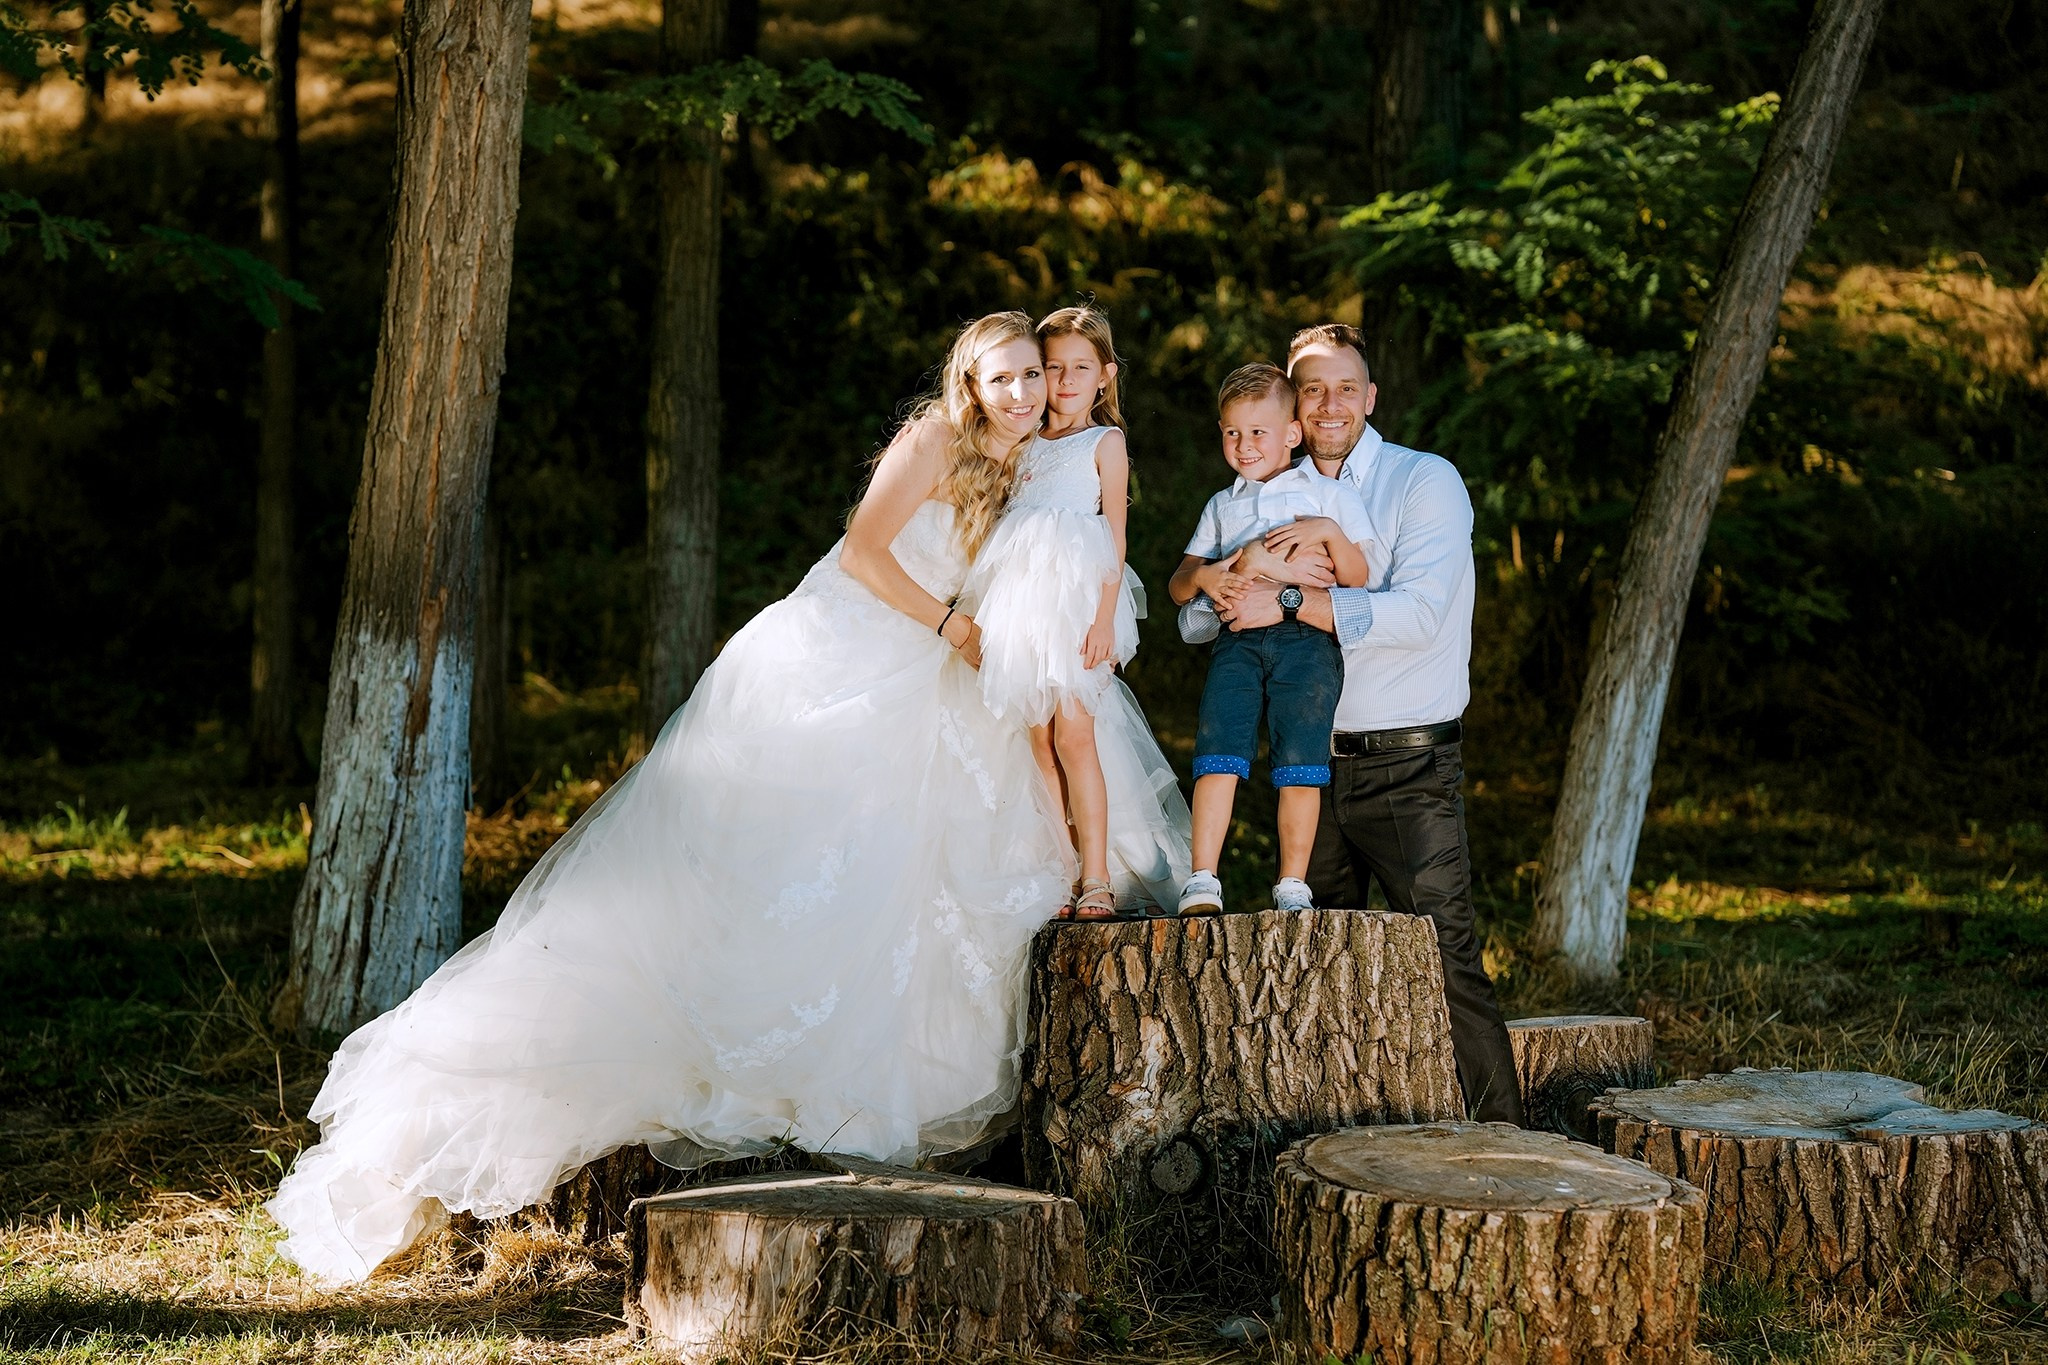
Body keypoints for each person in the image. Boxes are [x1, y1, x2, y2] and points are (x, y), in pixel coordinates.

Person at [267, 313, 1079, 1284]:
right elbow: (863, 551)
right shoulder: (935, 438)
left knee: (910, 877)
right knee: (780, 865)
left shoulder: (1029, 462)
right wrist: (950, 626)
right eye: (1003, 377)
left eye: (1032, 376)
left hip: (939, 673)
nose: (1022, 393)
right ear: (969, 383)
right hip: (854, 647)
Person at [1180, 324, 1523, 1123]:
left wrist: (1289, 597)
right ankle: (1332, 1148)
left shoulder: (1423, 481)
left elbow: (1420, 613)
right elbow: (1199, 621)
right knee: (1316, 971)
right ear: (1292, 412)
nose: (1330, 403)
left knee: (1446, 963)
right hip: (1307, 770)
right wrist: (1226, 579)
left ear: (1370, 396)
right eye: (1312, 389)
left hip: (1406, 767)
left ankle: (1509, 1145)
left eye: (1345, 387)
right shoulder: (1260, 490)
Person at [965, 306, 1191, 918]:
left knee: (1074, 735)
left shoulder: (1104, 443)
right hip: (1020, 608)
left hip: (1076, 606)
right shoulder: (1023, 442)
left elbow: (1115, 536)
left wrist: (1103, 619)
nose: (1064, 381)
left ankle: (1097, 877)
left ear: (1105, 376)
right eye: (1053, 367)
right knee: (1038, 740)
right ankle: (1063, 871)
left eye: (1081, 368)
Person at [1167, 362, 1379, 916]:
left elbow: (1358, 577)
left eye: (1258, 432)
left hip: (1306, 643)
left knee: (1300, 762)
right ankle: (1202, 879)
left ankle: (1292, 885)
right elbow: (1179, 584)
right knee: (1217, 752)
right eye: (1232, 433)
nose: (1244, 446)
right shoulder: (1222, 505)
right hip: (1236, 642)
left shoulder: (1328, 496)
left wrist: (1328, 532)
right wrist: (1212, 575)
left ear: (1291, 434)